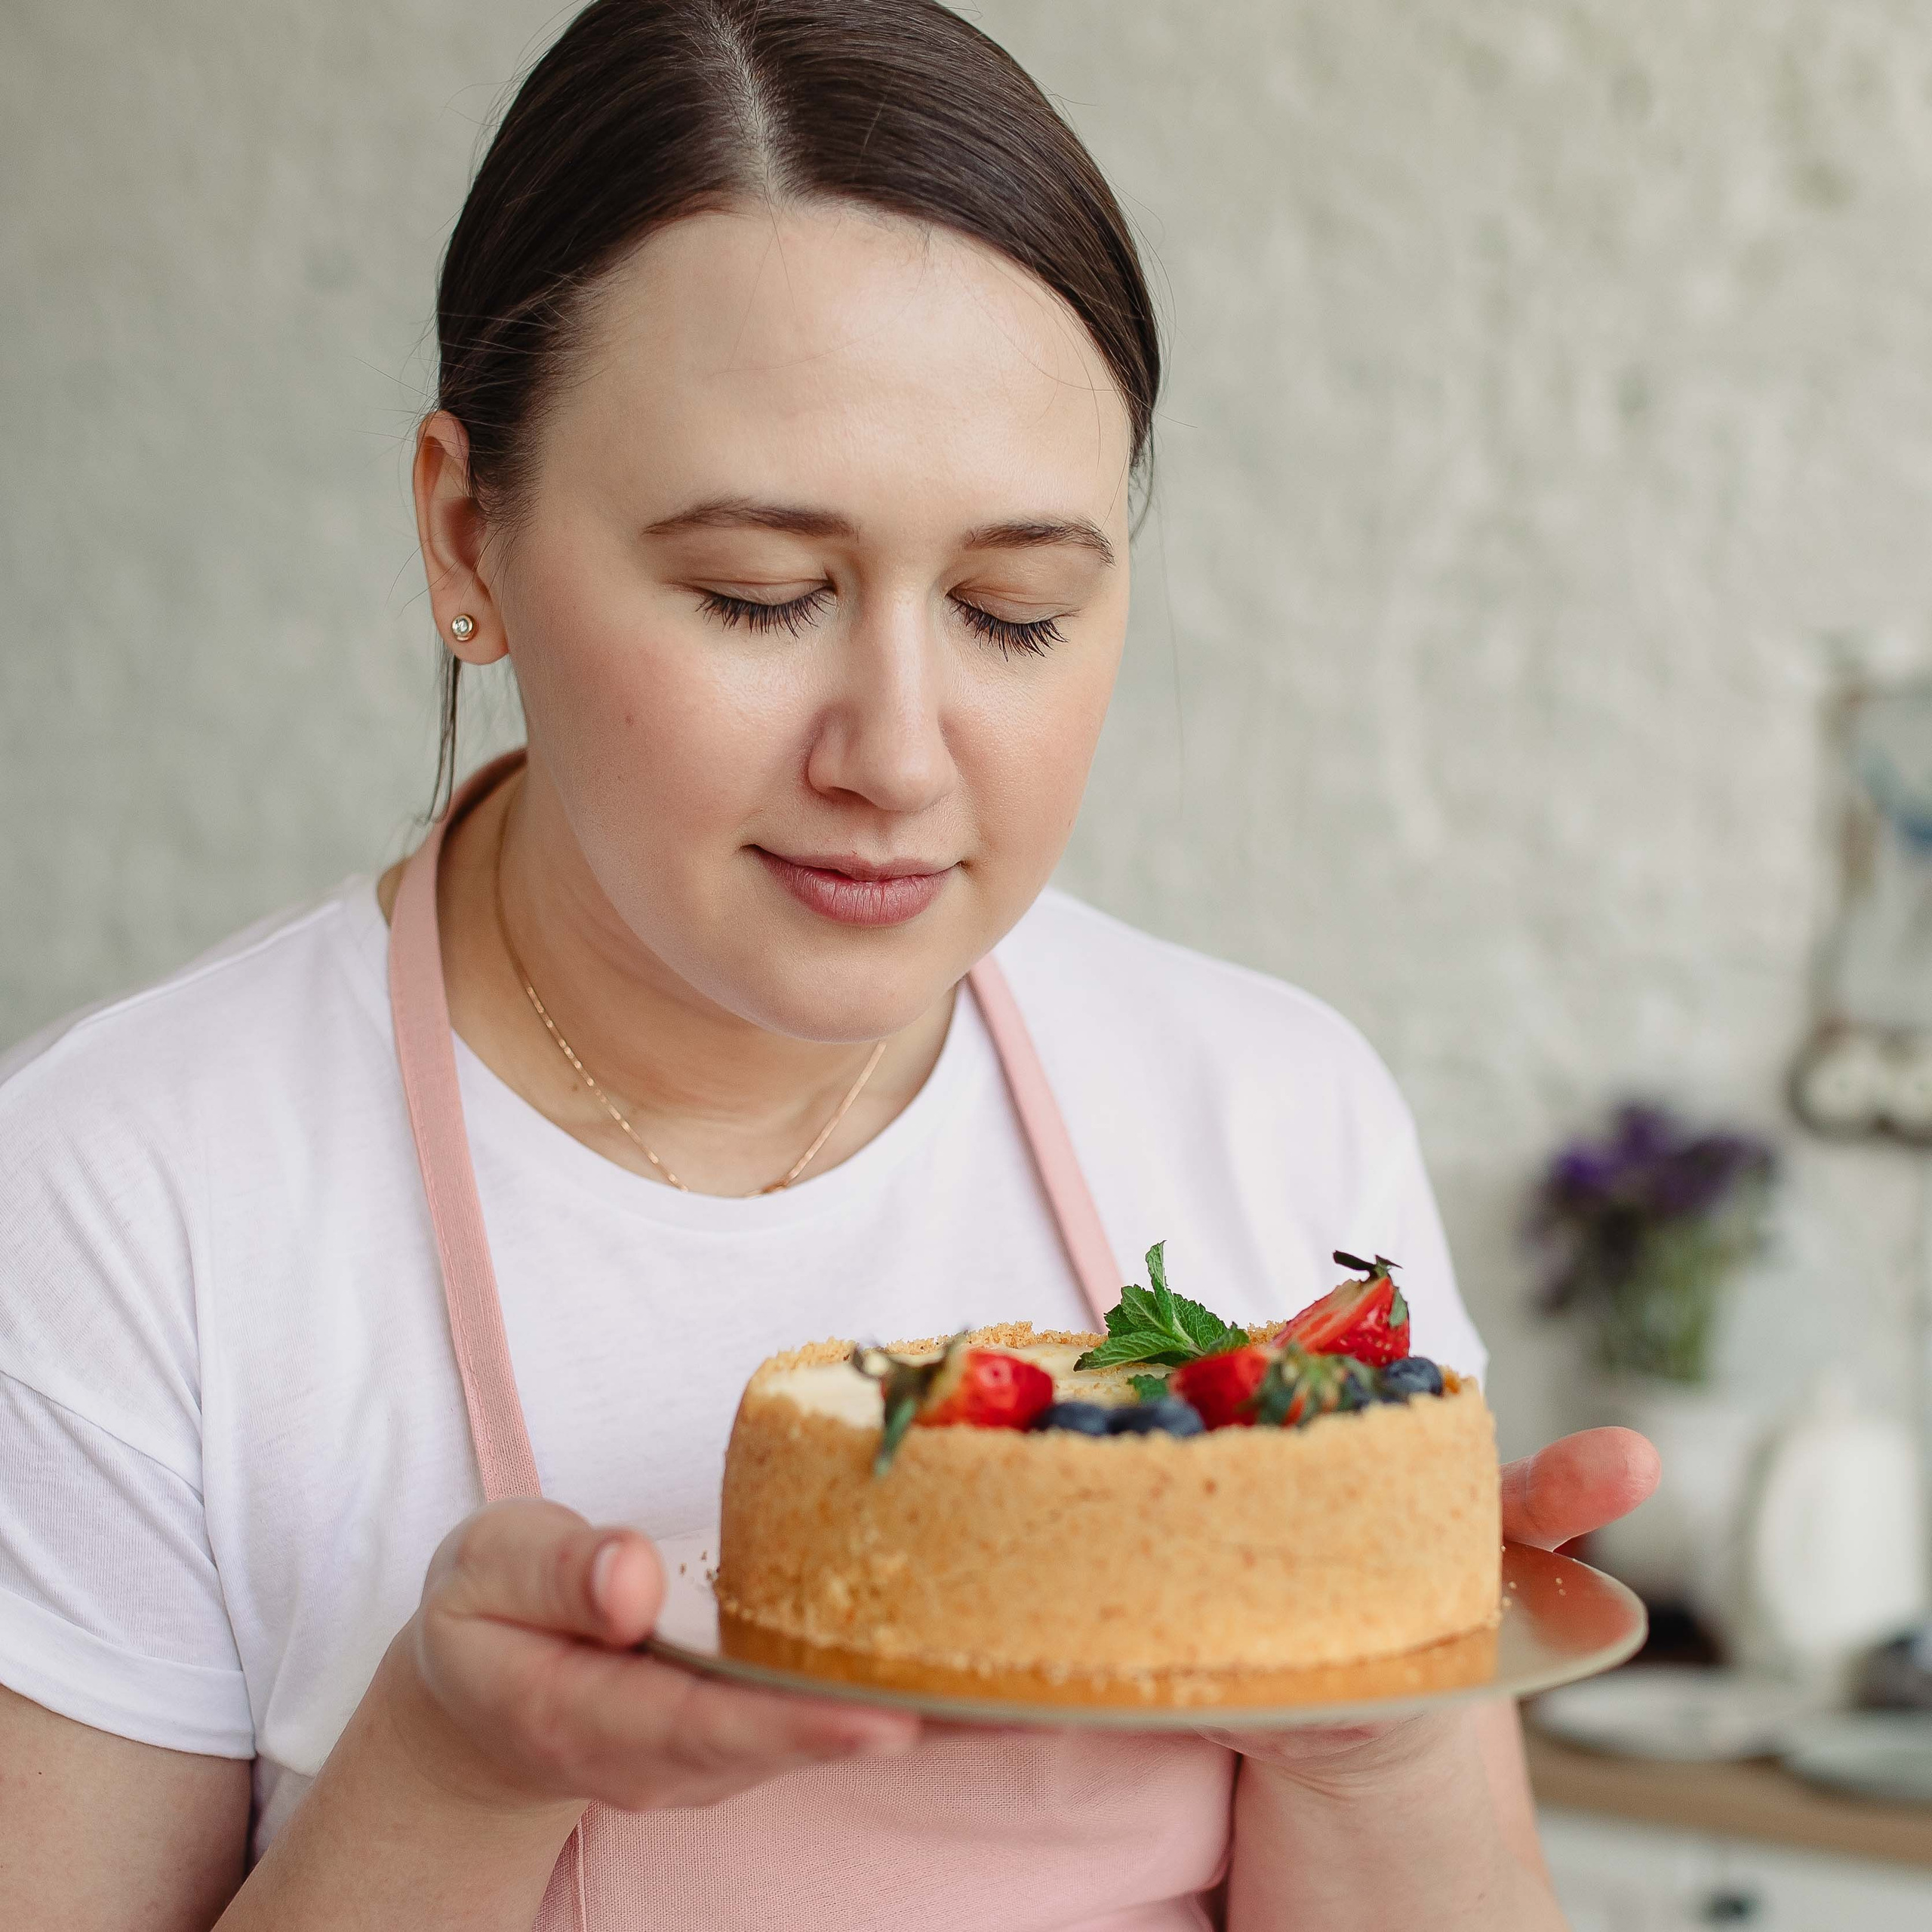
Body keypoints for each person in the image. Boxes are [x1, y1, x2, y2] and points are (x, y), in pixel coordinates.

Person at [0, 3, 1657, 1927]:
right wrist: (455, 1772)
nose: (894, 751)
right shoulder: (120, 1192)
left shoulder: (1270, 1116)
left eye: (1013, 611)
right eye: (756, 594)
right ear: (467, 532)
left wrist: (1367, 1717)